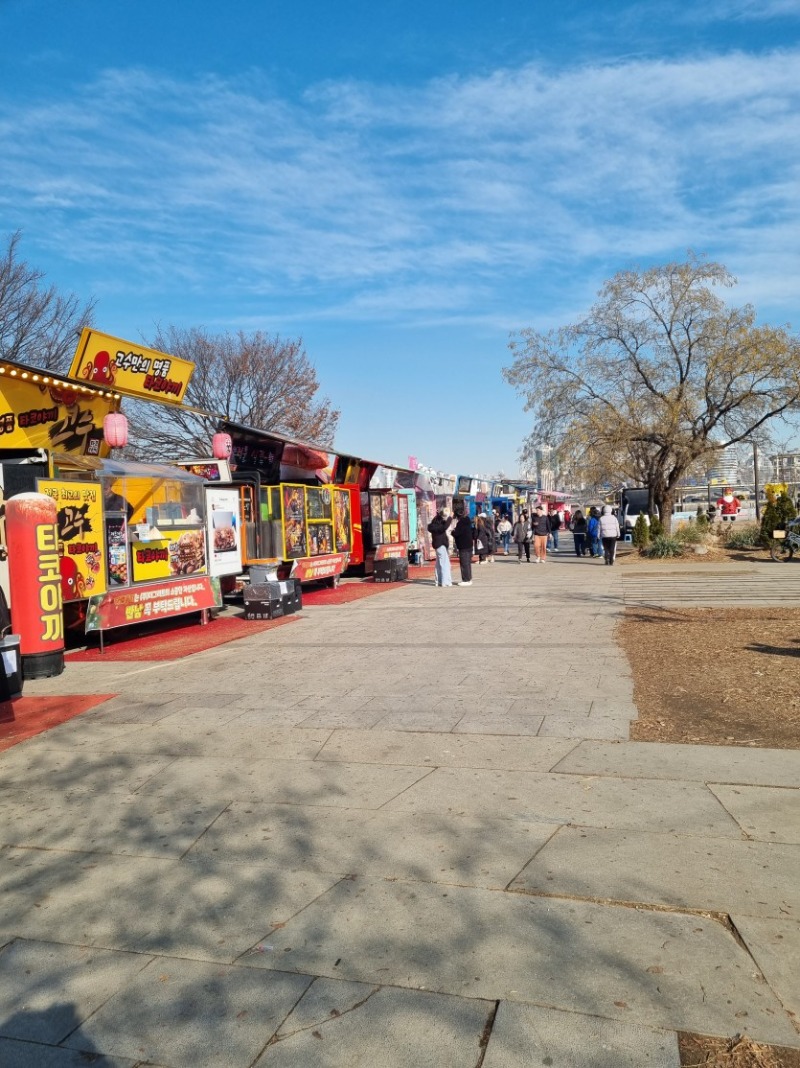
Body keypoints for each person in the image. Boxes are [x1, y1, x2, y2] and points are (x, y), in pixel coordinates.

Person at [427, 507, 454, 587]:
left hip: (437, 546)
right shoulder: (440, 527)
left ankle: (438, 581)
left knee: (439, 564)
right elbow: (444, 527)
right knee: (445, 564)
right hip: (441, 545)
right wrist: (450, 517)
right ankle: (445, 581)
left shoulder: (433, 526)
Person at [451, 510, 475, 585]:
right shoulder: (467, 522)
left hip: (463, 545)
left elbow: (457, 533)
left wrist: (452, 532)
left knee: (464, 563)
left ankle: (466, 580)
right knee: (467, 563)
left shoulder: (461, 523)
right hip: (469, 545)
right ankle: (469, 578)